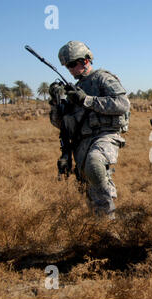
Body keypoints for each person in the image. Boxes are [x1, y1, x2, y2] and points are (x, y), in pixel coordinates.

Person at [49, 41, 130, 221]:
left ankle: (109, 219)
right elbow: (60, 123)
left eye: (71, 64)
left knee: (94, 163)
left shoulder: (103, 78)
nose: (69, 69)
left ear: (85, 60)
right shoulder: (72, 90)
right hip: (81, 143)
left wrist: (87, 100)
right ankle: (101, 229)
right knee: (89, 192)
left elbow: (122, 104)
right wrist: (55, 102)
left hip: (105, 135)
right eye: (66, 66)